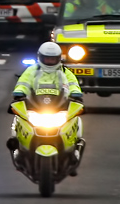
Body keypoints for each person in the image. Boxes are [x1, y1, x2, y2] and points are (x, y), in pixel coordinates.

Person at [11, 42, 86, 174]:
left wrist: (76, 93)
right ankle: (20, 150)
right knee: (18, 120)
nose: (50, 62)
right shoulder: (32, 70)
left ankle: (72, 151)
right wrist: (19, 92)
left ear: (58, 58)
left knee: (75, 120)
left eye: (53, 59)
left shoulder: (64, 71)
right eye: (47, 59)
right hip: (36, 105)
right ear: (40, 57)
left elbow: (73, 83)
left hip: (58, 106)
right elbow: (23, 82)